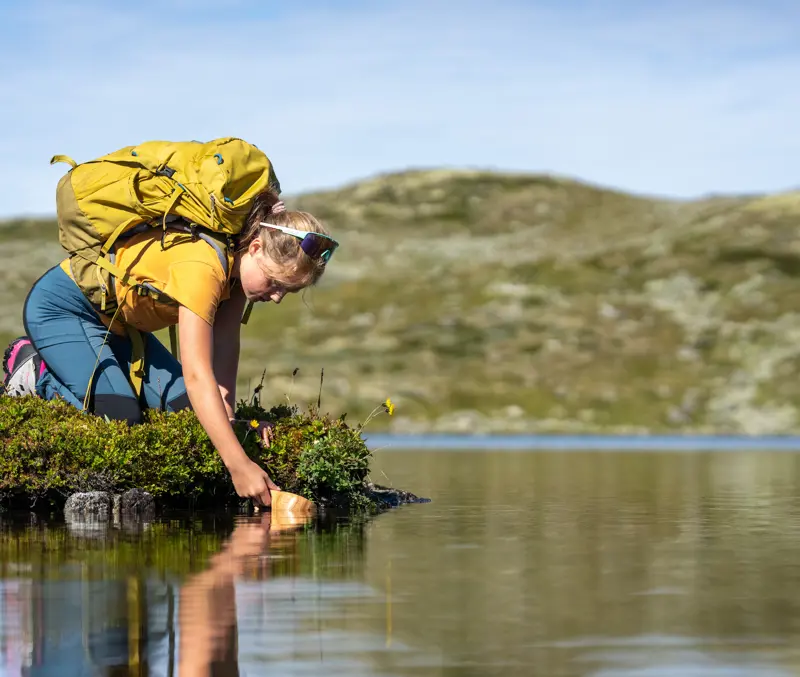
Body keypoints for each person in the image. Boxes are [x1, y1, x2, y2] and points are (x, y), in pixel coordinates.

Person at [2, 189, 338, 508]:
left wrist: (231, 424)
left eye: (287, 291)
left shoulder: (237, 280)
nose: (277, 296)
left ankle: (96, 368)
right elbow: (196, 374)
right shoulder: (203, 269)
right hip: (65, 310)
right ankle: (35, 368)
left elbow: (222, 352)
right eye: (275, 282)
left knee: (194, 417)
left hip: (121, 328)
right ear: (253, 249)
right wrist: (238, 465)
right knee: (120, 418)